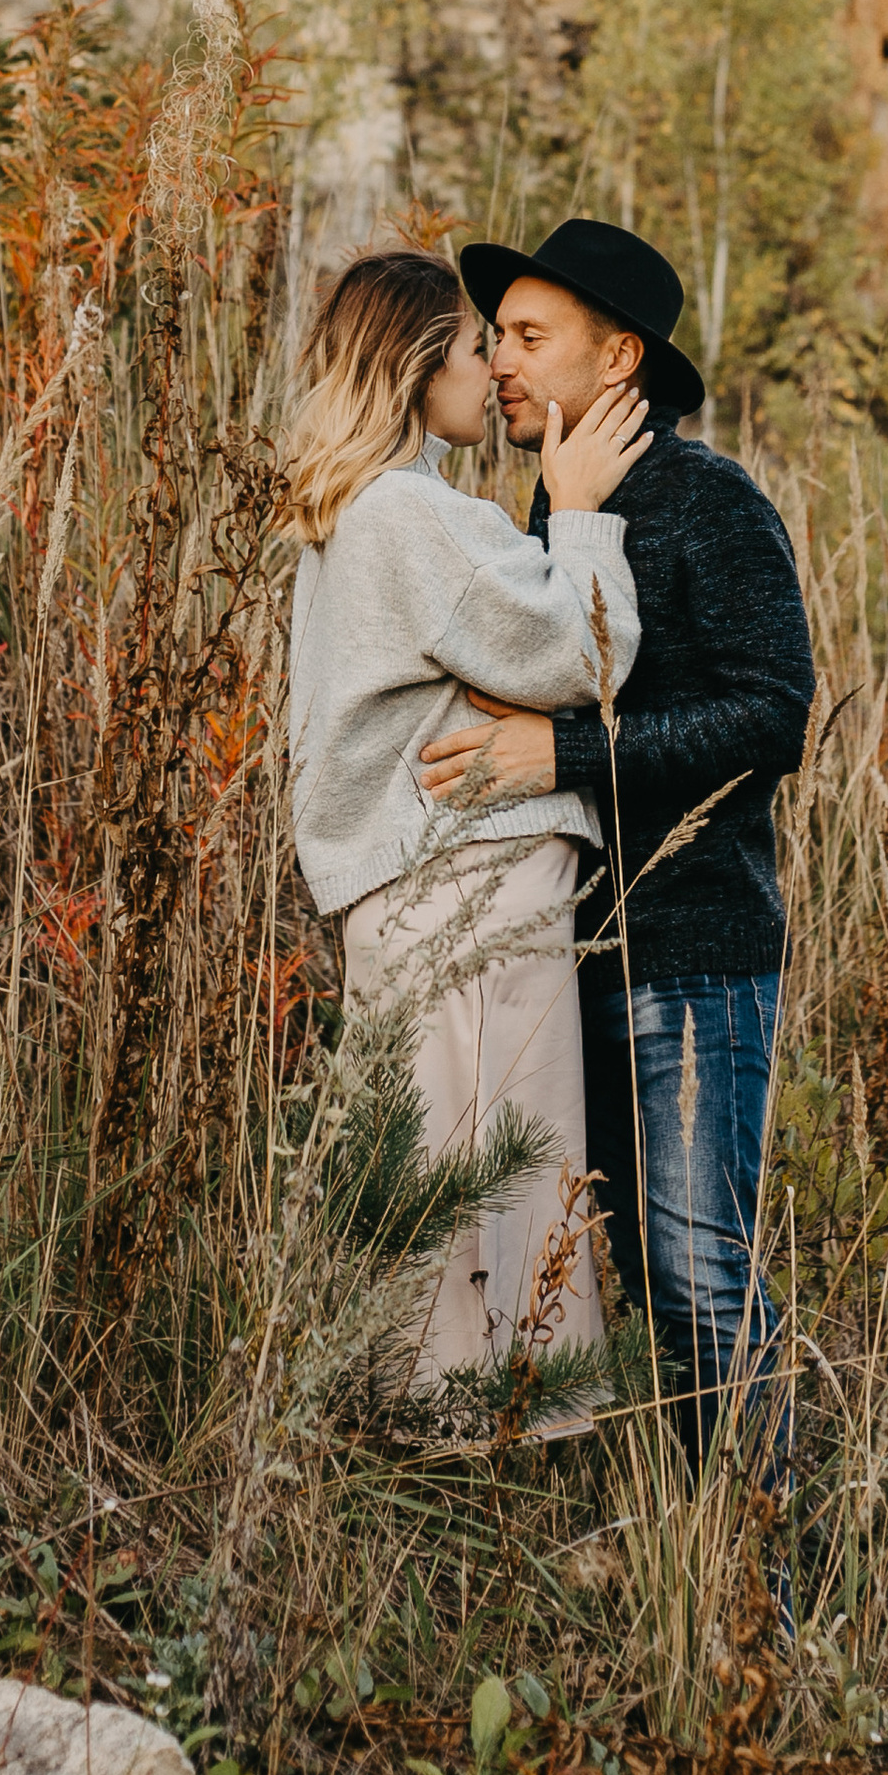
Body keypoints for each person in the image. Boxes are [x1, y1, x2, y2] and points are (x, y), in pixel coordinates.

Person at [419, 221, 814, 1475]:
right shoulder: (548, 513)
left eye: (531, 339)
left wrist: (562, 756)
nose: (503, 365)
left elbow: (772, 714)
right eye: (495, 340)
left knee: (701, 1274)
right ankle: (676, 1565)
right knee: (632, 1277)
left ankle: (763, 1595)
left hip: (693, 958)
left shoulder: (711, 503)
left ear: (621, 355)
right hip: (570, 959)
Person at [283, 247, 647, 1415]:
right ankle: (484, 1431)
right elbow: (577, 656)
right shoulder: (410, 512)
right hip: (466, 880)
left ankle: (420, 1425)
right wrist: (582, 516)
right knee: (491, 1165)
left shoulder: (360, 512)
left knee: (433, 1159)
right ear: (416, 363)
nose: (492, 364)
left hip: (416, 883)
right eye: (471, 342)